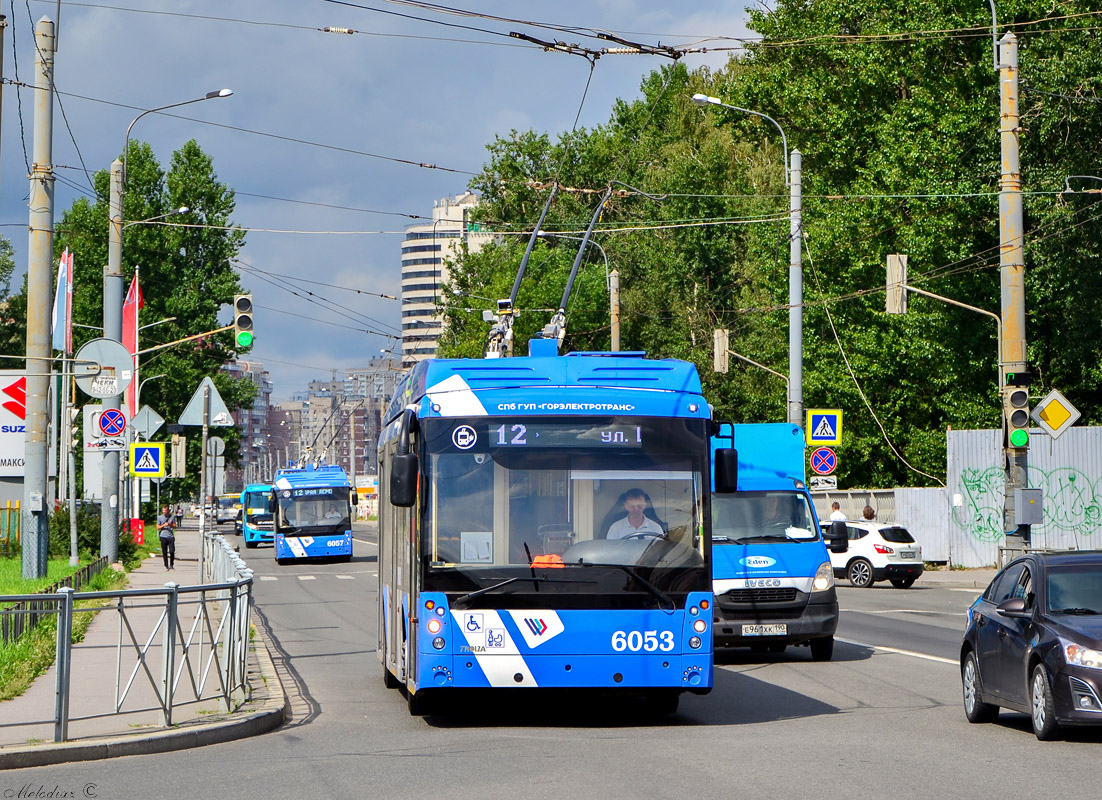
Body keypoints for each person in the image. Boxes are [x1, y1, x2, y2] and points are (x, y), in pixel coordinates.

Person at [157, 504, 176, 571]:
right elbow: (158, 527)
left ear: (168, 511)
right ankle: (166, 564)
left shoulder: (172, 517)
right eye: (163, 511)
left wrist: (171, 525)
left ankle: (171, 564)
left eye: (165, 510)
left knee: (172, 551)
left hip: (170, 536)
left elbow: (175, 526)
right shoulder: (160, 517)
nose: (164, 512)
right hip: (163, 536)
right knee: (164, 552)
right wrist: (164, 525)